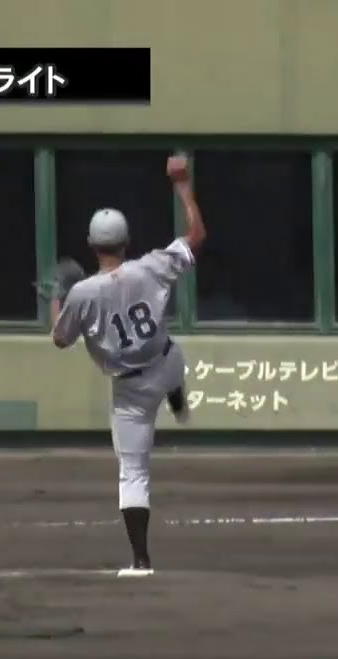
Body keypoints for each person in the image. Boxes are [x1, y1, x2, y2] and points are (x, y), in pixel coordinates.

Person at [47, 154, 206, 577]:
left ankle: (141, 561)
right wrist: (183, 186)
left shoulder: (83, 292)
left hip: (131, 391)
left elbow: (60, 339)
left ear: (91, 244)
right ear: (126, 240)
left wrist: (56, 297)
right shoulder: (150, 265)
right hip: (166, 361)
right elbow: (196, 235)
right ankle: (177, 397)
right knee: (173, 361)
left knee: (133, 473)